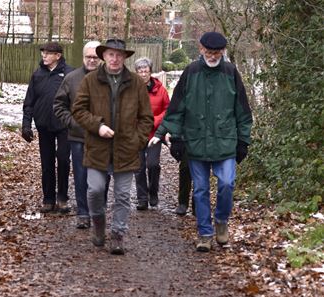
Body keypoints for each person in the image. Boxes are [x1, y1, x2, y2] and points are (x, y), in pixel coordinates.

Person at [151, 32, 253, 252]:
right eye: (209, 52)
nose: (213, 56)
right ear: (201, 50)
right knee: (200, 190)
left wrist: (243, 140)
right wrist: (174, 137)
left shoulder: (230, 72)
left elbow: (243, 110)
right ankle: (205, 233)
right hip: (195, 141)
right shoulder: (191, 72)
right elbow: (177, 107)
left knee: (227, 183)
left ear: (223, 52)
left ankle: (222, 221)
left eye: (217, 52)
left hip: (225, 141)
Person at [72, 38, 153, 255]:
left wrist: (138, 140)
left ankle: (118, 234)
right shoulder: (90, 80)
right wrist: (97, 126)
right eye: (110, 54)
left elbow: (146, 117)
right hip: (97, 148)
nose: (115, 58)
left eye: (119, 55)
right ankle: (98, 224)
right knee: (95, 190)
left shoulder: (136, 82)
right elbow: (78, 110)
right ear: (103, 56)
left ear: (125, 57)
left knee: (123, 196)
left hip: (127, 149)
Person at [53, 41, 102, 229]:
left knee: (101, 178)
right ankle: (83, 212)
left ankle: (98, 211)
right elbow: (59, 105)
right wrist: (72, 123)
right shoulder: (71, 78)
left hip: (101, 137)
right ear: (83, 57)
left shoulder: (108, 79)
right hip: (78, 137)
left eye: (95, 57)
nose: (91, 60)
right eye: (88, 57)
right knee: (81, 176)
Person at [22, 42, 74, 214]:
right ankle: (48, 198)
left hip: (64, 125)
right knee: (47, 162)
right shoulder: (38, 75)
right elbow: (29, 101)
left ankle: (62, 198)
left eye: (47, 53)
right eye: (43, 52)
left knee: (64, 160)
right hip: (44, 124)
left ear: (58, 56)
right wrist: (26, 124)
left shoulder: (69, 74)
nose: (43, 55)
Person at [132, 57, 170, 211]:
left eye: (145, 71)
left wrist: (154, 121)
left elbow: (168, 109)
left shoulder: (161, 89)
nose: (143, 74)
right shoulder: (131, 89)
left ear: (150, 72)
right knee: (139, 166)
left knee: (152, 164)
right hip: (137, 133)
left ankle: (153, 191)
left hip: (155, 134)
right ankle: (142, 198)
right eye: (140, 71)